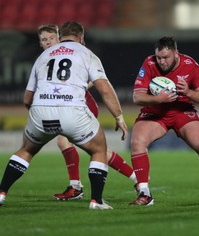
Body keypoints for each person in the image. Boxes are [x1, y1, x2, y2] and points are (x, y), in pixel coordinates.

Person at [0, 21, 128, 210]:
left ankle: (0, 193)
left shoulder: (43, 56)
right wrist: (118, 116)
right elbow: (105, 89)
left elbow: (27, 98)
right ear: (81, 38)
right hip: (71, 110)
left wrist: (40, 115)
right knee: (99, 149)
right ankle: (97, 201)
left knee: (27, 149)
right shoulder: (87, 54)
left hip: (41, 110)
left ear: (60, 37)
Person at [37, 25, 137, 201]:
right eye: (44, 40)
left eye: (51, 38)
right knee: (95, 151)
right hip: (66, 107)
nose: (48, 42)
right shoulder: (48, 58)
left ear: (59, 38)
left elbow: (94, 79)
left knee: (64, 141)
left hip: (81, 104)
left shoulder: (77, 52)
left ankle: (76, 187)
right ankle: (136, 178)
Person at [129, 36, 199, 206]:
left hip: (181, 111)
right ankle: (145, 194)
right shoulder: (149, 63)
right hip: (155, 113)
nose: (161, 62)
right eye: (159, 57)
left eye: (165, 58)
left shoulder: (190, 65)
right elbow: (137, 96)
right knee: (137, 141)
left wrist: (189, 93)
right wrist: (158, 99)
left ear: (176, 53)